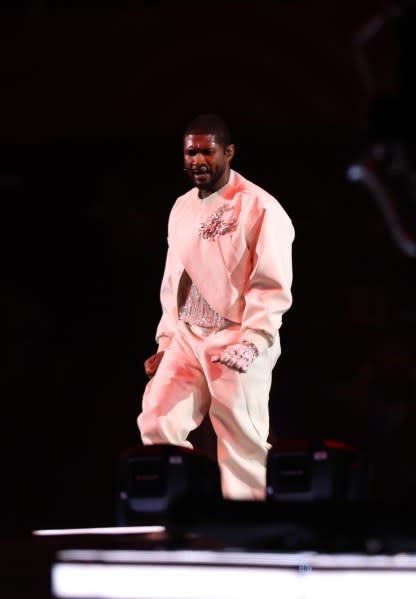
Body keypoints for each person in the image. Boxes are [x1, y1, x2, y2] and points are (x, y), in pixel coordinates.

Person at [136, 113, 295, 500]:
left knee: (241, 436)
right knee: (157, 416)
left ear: (229, 152)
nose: (198, 160)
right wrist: (165, 341)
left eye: (207, 151)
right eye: (191, 152)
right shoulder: (181, 207)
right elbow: (174, 278)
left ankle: (251, 527)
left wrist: (254, 340)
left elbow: (270, 280)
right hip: (187, 336)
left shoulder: (258, 206)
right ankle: (175, 506)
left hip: (235, 335)